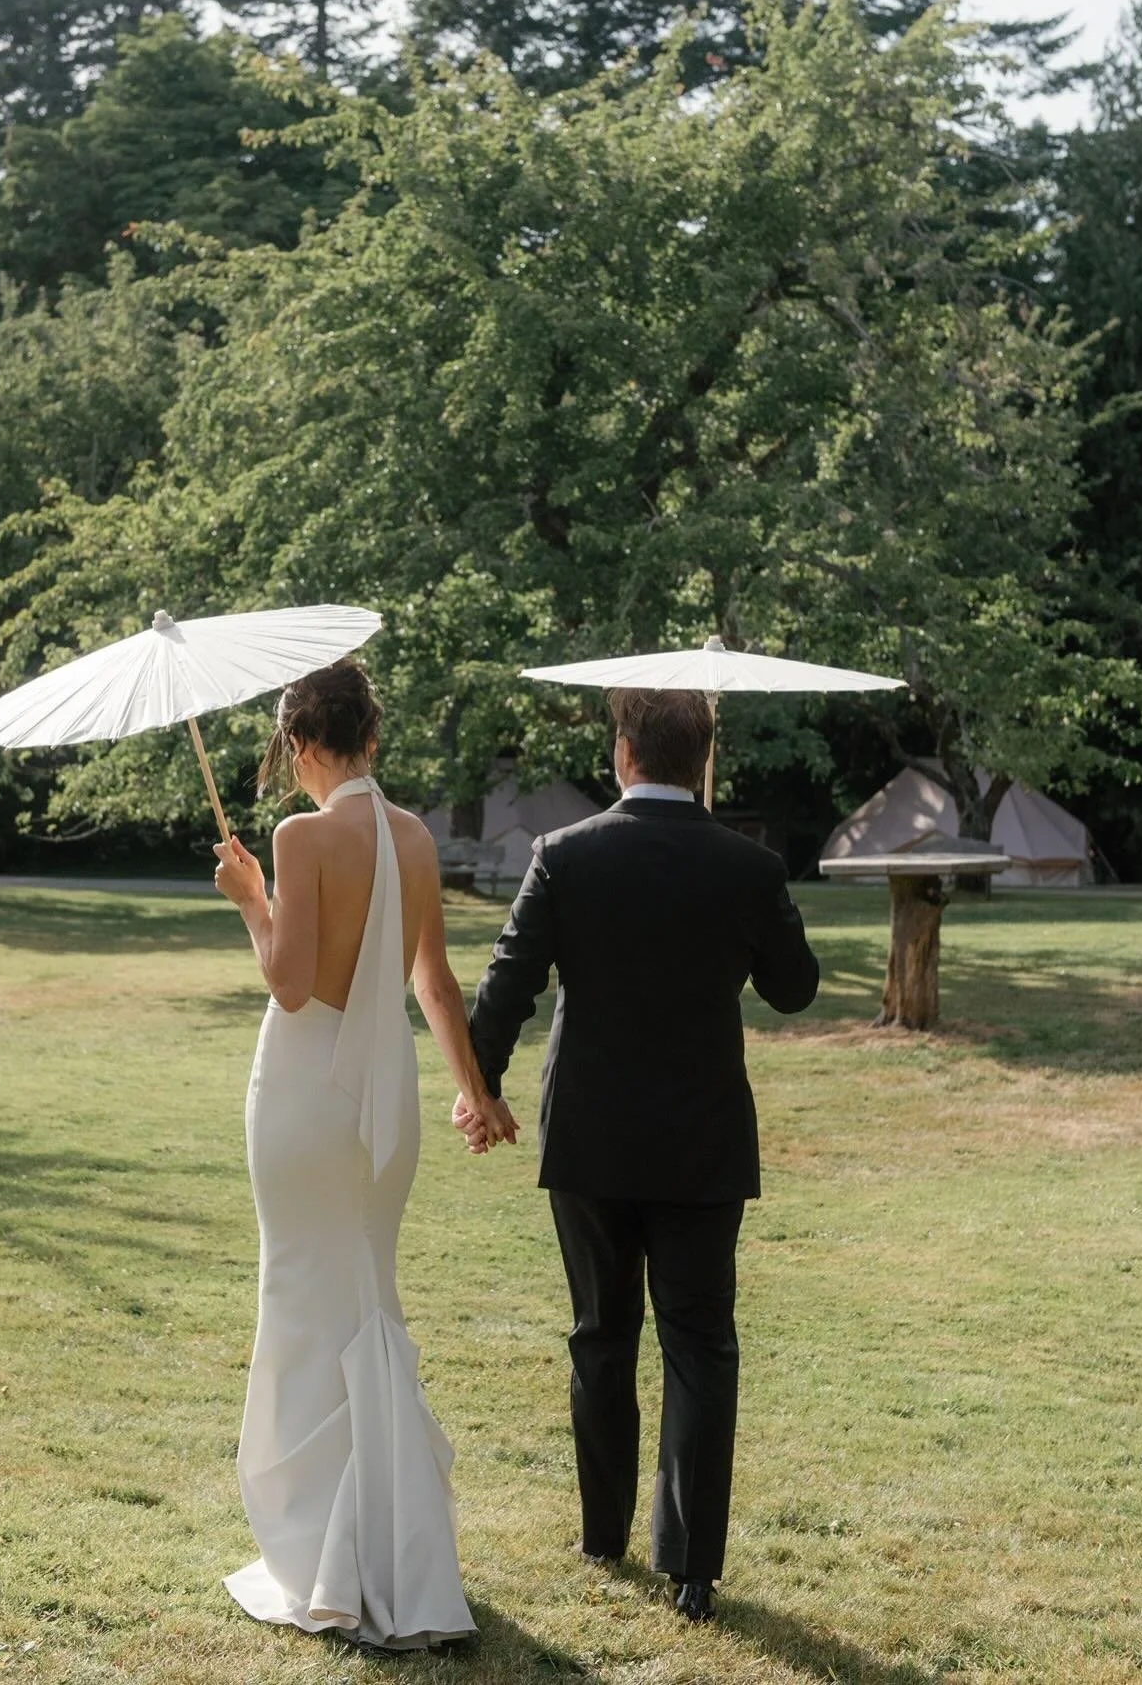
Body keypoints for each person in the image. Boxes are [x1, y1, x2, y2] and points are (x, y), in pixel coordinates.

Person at [455, 687, 819, 1624]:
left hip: (590, 1133)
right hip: (701, 1137)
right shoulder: (748, 865)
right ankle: (693, 1568)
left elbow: (507, 984)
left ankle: (602, 1534)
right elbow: (794, 989)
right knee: (700, 1342)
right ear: (701, 760)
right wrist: (753, 901)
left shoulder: (565, 855)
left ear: (622, 755)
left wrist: (479, 1087)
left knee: (599, 1333)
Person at [211, 660, 517, 1651]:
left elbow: (290, 983)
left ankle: (325, 1552)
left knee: (304, 1303)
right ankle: (392, 1546)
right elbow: (433, 984)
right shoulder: (417, 838)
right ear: (371, 739)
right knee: (366, 1302)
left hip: (304, 1102)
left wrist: (248, 898)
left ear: (301, 745)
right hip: (384, 1117)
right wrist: (473, 1090)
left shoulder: (298, 836)